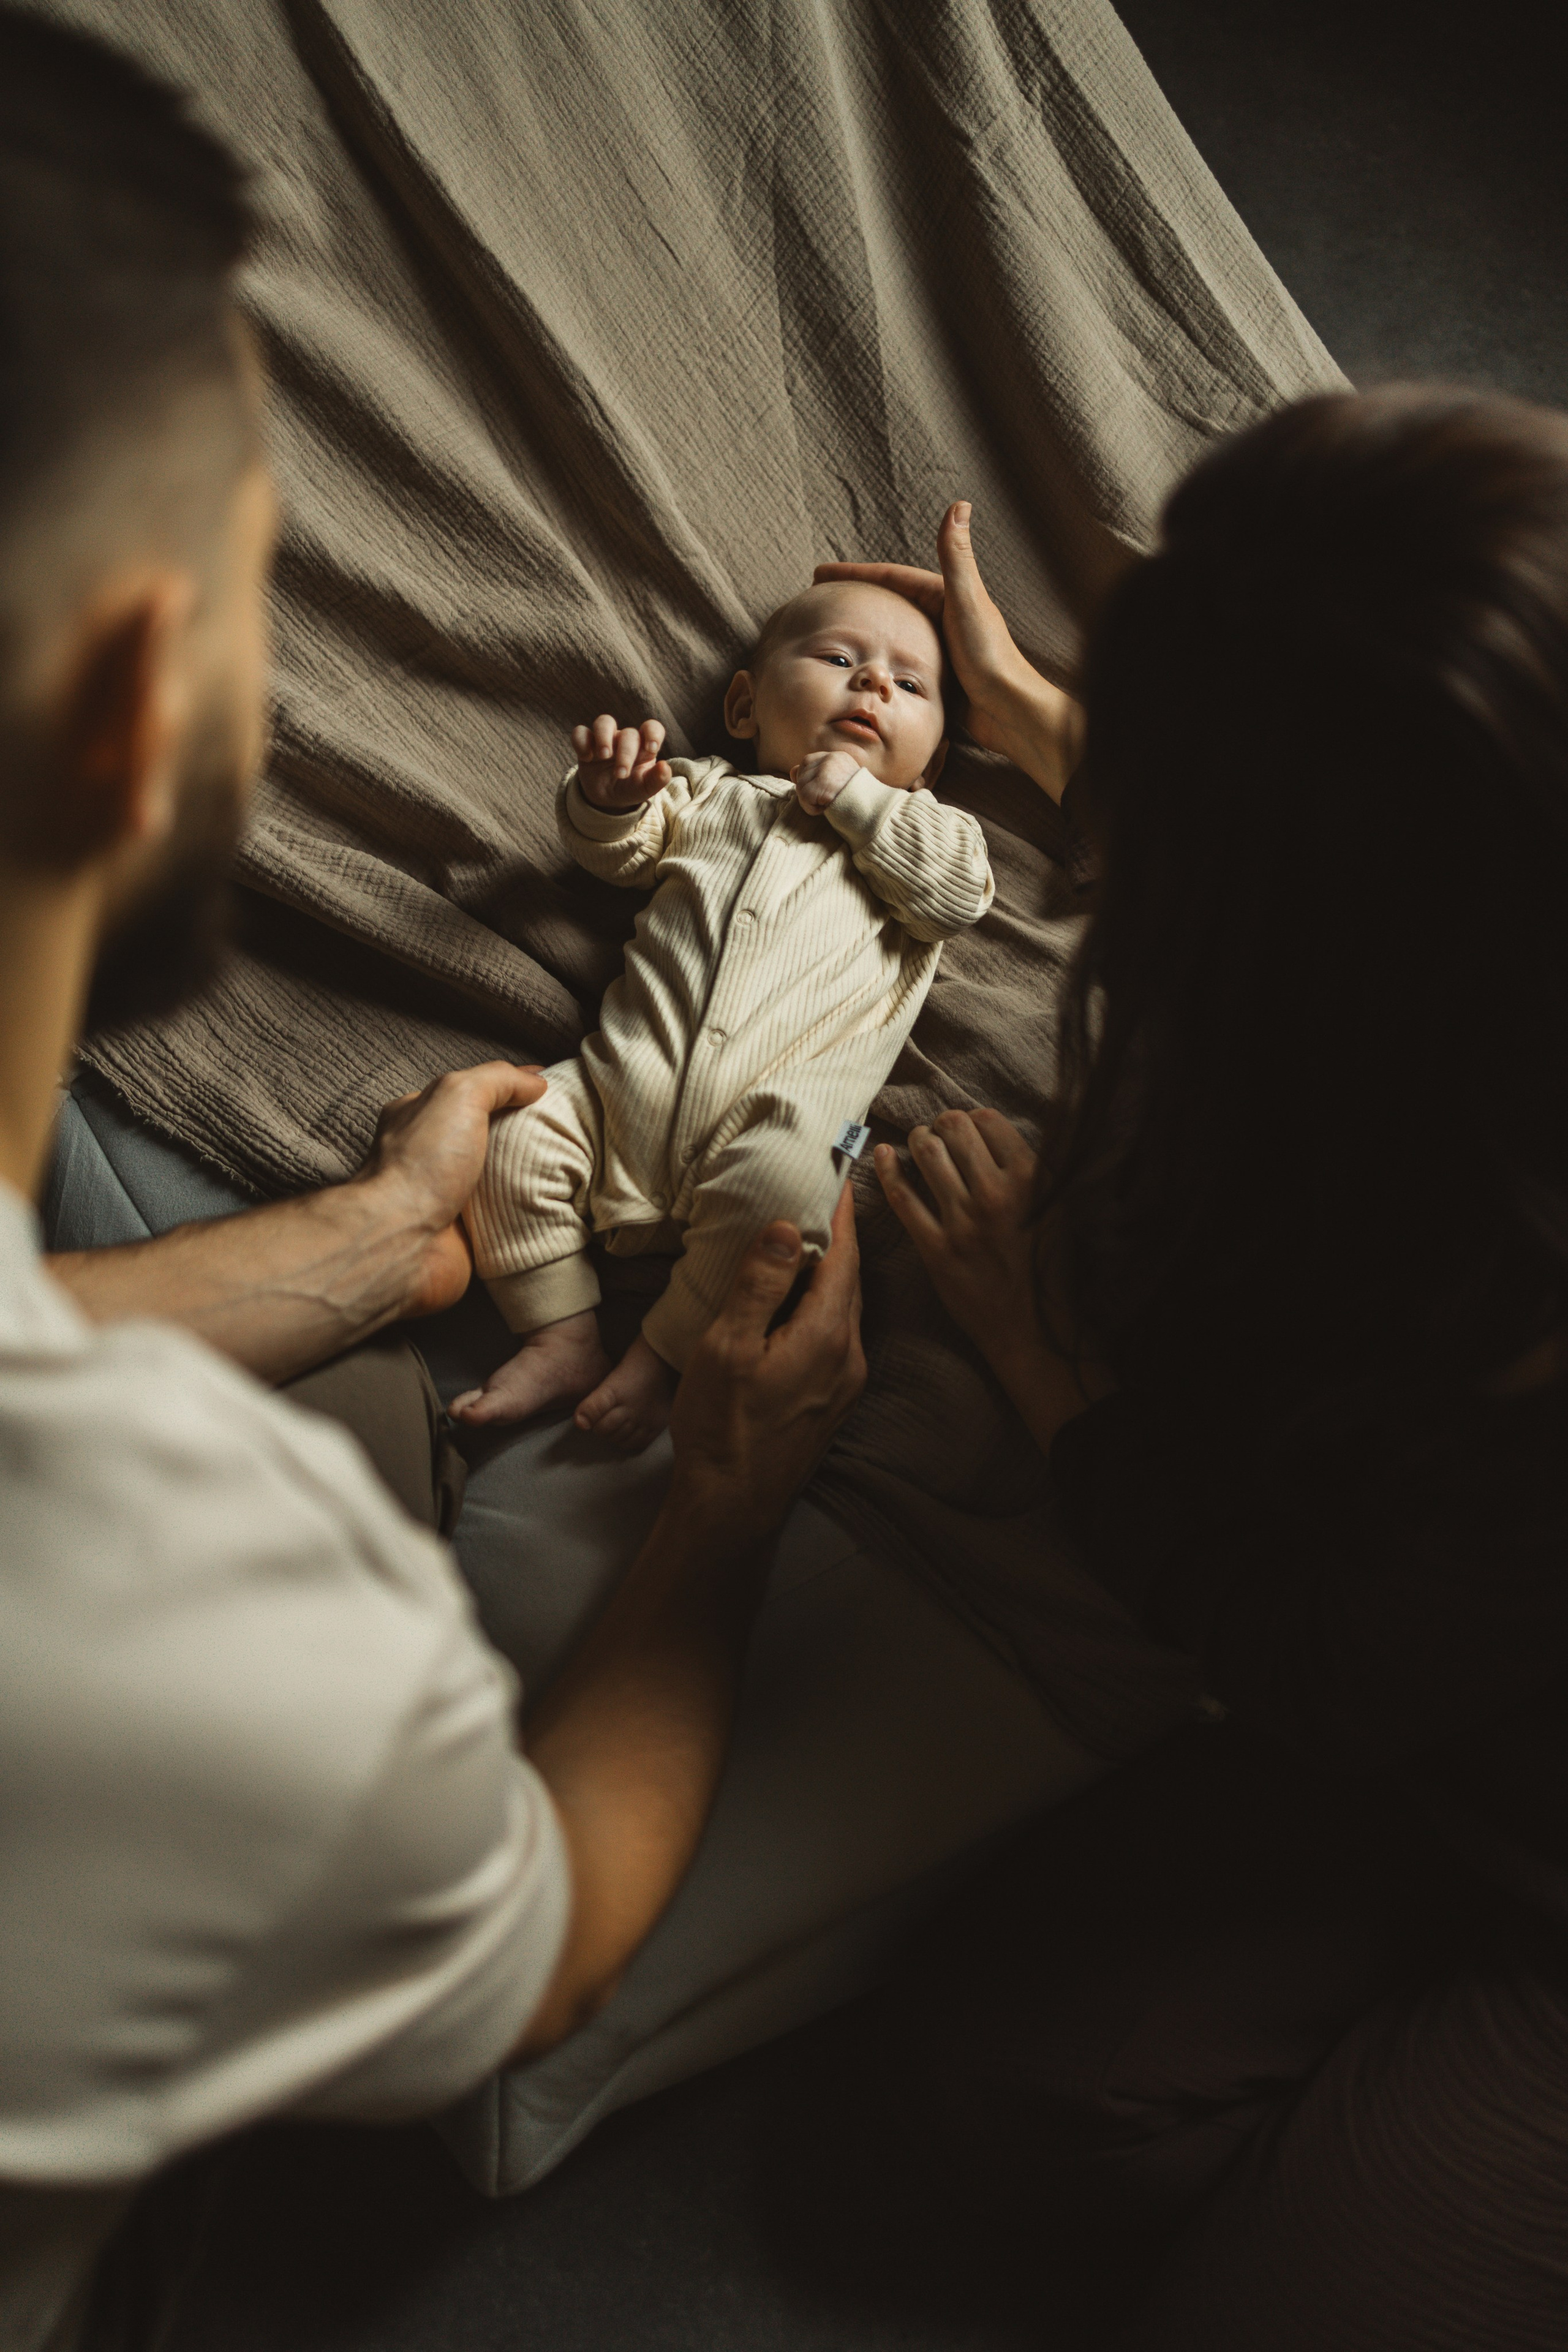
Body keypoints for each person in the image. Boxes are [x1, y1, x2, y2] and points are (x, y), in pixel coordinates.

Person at [0, 20, 864, 2351]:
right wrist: (733, 1503)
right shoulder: (228, 1655)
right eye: (255, 591)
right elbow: (536, 1932)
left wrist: (372, 1235)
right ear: (130, 695)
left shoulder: (910, 849)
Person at [831, 409, 1568, 2346]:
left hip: (1480, 1766)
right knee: (1010, 2098)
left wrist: (1050, 1370)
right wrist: (1041, 718)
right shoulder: (1486, 952)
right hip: (1465, 1704)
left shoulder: (1490, 1288)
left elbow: (1321, 1658)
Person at [451, 579, 992, 1449]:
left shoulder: (930, 834)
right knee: (509, 1135)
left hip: (775, 1124)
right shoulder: (709, 795)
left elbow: (957, 898)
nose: (875, 686)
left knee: (788, 1199)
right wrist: (609, 797)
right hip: (616, 1093)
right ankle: (560, 1332)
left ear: (927, 767)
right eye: (842, 658)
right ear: (745, 706)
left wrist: (861, 802)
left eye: (912, 684)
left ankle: (663, 1359)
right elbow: (615, 854)